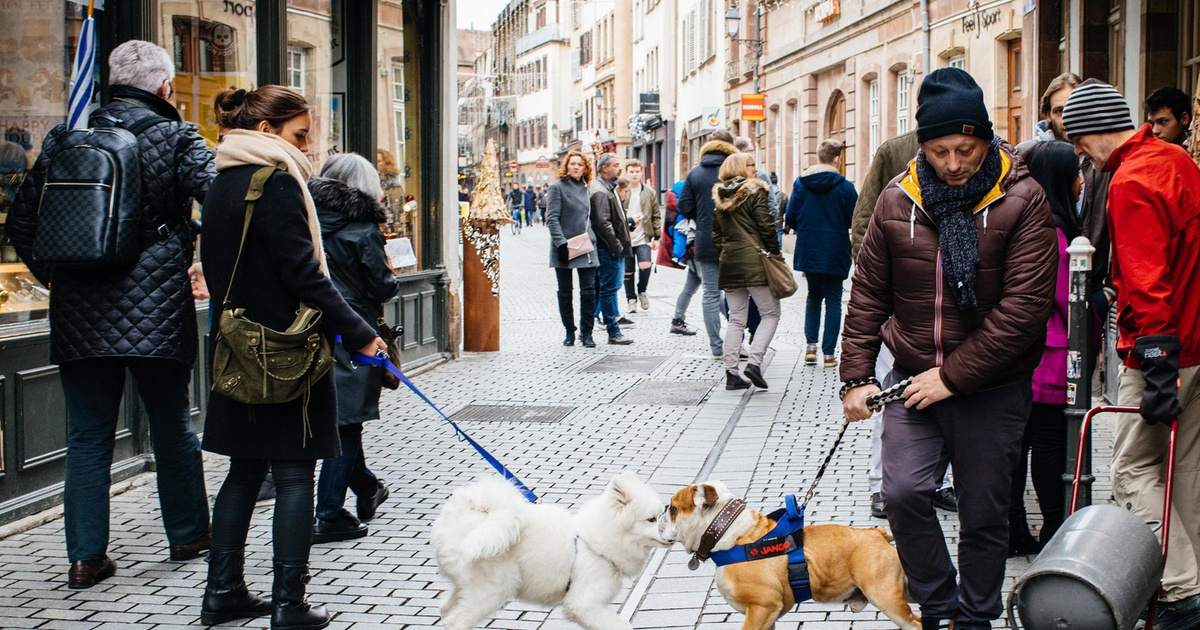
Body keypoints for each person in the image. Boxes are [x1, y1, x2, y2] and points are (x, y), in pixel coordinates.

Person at [840, 68, 1056, 630]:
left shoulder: (1023, 198)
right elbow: (867, 294)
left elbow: (1025, 310)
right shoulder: (897, 199)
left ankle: (976, 617)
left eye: (966, 148)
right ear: (922, 146)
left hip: (993, 388)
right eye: (940, 151)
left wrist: (954, 377)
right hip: (912, 378)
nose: (954, 163)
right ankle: (938, 609)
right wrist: (857, 374)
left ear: (987, 139)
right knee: (905, 494)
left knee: (985, 515)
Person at [7, 40, 214, 589]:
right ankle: (190, 534)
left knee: (88, 435)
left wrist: (63, 276)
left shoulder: (64, 139)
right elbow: (221, 197)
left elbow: (21, 225)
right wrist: (192, 252)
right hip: (157, 309)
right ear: (164, 88)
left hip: (79, 308)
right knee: (172, 426)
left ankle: (85, 557)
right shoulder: (176, 135)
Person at [199, 85, 387, 629]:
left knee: (242, 472)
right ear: (266, 132)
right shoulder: (277, 185)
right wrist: (359, 333)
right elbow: (305, 275)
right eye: (301, 136)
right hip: (285, 350)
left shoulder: (221, 184)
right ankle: (289, 604)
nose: (308, 149)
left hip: (237, 348)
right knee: (293, 476)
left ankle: (223, 592)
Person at [1064, 79, 1200, 630]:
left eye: (1077, 138)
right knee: (1183, 470)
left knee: (1131, 470)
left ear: (1095, 130)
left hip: (1162, 351)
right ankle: (1195, 579)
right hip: (1195, 341)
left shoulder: (1131, 178)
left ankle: (1181, 592)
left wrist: (1157, 361)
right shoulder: (1175, 158)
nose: (1077, 151)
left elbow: (1146, 280)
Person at [845, 129, 957, 521]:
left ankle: (939, 481)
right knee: (891, 401)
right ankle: (880, 486)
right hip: (901, 311)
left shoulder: (980, 160)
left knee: (949, 401)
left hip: (952, 317)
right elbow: (864, 221)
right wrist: (883, 279)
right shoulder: (894, 151)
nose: (953, 160)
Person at [308, 153, 398, 545]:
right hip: (354, 331)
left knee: (342, 419)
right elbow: (381, 287)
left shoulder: (307, 219)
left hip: (312, 327)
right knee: (346, 423)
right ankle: (328, 513)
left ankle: (366, 487)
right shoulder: (363, 229)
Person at [1010, 140, 1079, 555]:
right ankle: (1053, 532)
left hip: (1023, 358)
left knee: (1018, 450)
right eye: (1075, 173)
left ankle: (1014, 532)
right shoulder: (1056, 232)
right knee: (1048, 447)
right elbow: (1065, 300)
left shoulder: (1027, 223)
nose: (1081, 181)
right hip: (1050, 359)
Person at [712, 152, 782, 391]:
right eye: (751, 165)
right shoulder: (756, 191)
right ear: (742, 168)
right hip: (755, 262)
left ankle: (731, 373)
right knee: (770, 313)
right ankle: (754, 362)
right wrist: (774, 253)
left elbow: (717, 236)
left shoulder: (721, 196)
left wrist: (729, 252)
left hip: (729, 263)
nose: (755, 169)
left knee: (736, 318)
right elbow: (766, 225)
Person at [785, 138, 857, 369]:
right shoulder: (845, 187)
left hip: (809, 247)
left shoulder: (801, 183)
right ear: (837, 159)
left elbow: (791, 217)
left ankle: (810, 347)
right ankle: (828, 355)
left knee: (814, 297)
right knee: (834, 301)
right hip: (835, 247)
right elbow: (854, 218)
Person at [675, 130, 738, 356]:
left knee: (710, 293)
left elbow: (684, 207)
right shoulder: (734, 171)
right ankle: (738, 341)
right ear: (730, 146)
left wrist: (702, 214)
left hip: (706, 240)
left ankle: (717, 346)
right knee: (736, 294)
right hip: (734, 241)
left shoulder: (695, 173)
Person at [547, 151, 601, 347]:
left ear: (585, 168)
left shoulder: (588, 190)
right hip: (564, 246)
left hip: (586, 246)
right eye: (572, 164)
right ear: (566, 167)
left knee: (589, 291)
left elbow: (595, 219)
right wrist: (560, 243)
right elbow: (552, 218)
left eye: (580, 164)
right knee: (565, 292)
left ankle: (587, 333)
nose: (576, 167)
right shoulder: (557, 188)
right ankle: (569, 331)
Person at [589, 153, 634, 345]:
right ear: (604, 168)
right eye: (616, 165)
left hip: (611, 247)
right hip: (607, 249)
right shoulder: (600, 190)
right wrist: (616, 246)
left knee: (608, 288)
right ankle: (613, 331)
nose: (619, 168)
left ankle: (605, 328)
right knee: (608, 289)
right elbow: (603, 223)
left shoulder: (608, 187)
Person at [622, 159, 661, 313]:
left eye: (637, 171)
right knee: (628, 270)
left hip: (643, 236)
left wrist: (657, 237)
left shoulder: (649, 191)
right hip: (625, 237)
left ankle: (642, 291)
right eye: (631, 171)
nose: (634, 174)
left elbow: (656, 215)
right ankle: (631, 299)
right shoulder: (622, 190)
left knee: (645, 264)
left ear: (641, 172)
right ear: (627, 173)